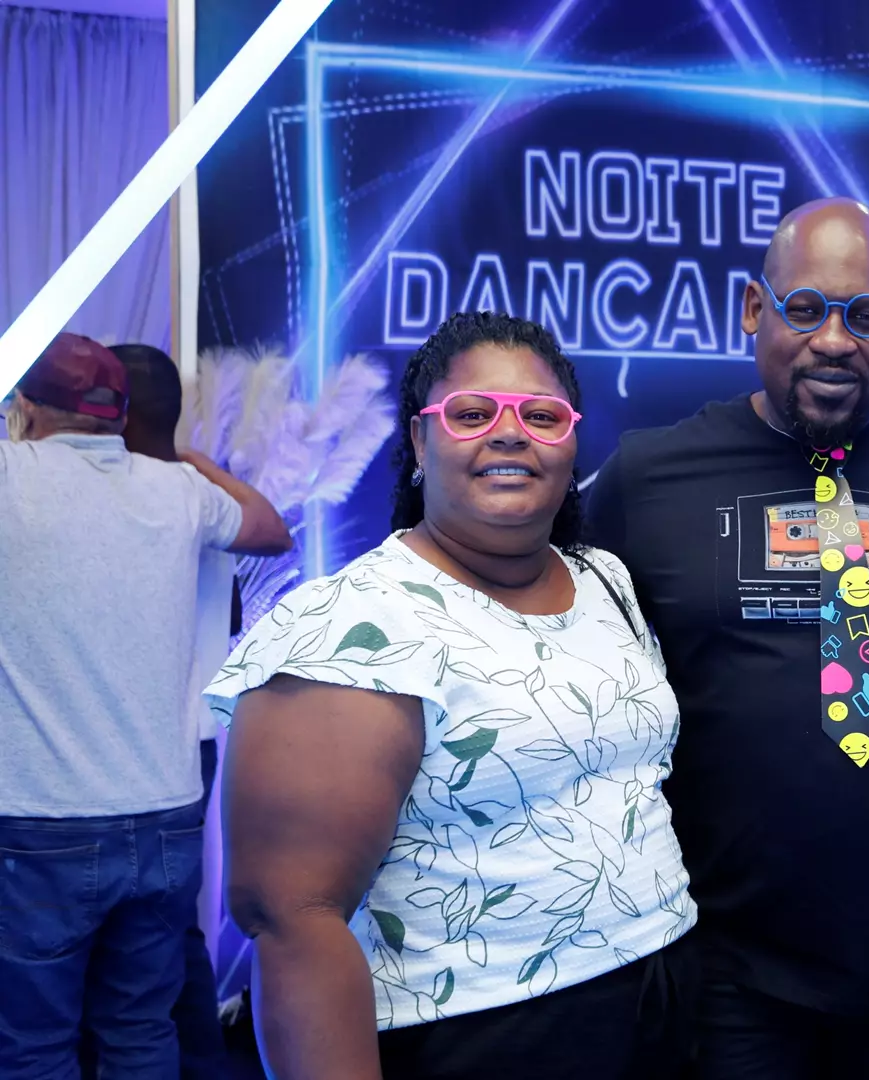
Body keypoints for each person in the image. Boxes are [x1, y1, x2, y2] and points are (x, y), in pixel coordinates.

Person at [587, 198, 869, 1079]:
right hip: (726, 970)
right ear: (754, 310)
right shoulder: (648, 477)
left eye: (863, 315)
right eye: (804, 309)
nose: (833, 340)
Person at [210, 311, 699, 1080]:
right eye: (472, 415)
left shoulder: (603, 579)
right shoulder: (352, 626)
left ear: (571, 443)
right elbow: (294, 920)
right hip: (482, 1035)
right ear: (419, 441)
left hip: (663, 996)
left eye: (541, 416)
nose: (509, 435)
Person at [0, 332, 292, 1077]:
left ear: (27, 409)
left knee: (34, 1046)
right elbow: (269, 529)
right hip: (165, 817)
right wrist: (190, 461)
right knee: (140, 1032)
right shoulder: (179, 492)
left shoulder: (9, 473)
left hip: (40, 824)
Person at [113, 342, 238, 1079]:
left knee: (145, 938)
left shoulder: (150, 498)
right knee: (166, 929)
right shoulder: (201, 495)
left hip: (143, 740)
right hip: (192, 736)